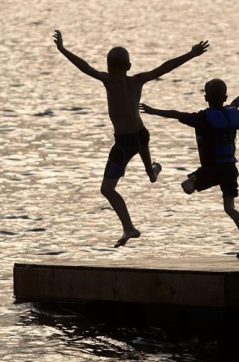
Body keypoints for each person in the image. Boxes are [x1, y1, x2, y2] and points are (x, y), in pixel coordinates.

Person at [52, 30, 208, 247]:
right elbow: (165, 67)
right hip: (142, 136)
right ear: (129, 66)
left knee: (107, 189)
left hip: (125, 143)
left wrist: (62, 49)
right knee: (147, 162)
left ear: (108, 66)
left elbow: (84, 66)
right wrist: (191, 54)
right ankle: (152, 172)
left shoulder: (108, 80)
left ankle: (129, 227)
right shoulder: (137, 80)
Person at [140, 80, 239, 258]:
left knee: (187, 186)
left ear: (205, 98)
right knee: (230, 207)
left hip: (211, 169)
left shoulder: (201, 119)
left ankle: (189, 179)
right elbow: (238, 101)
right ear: (224, 97)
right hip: (230, 168)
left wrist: (152, 111)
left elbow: (175, 114)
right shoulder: (231, 112)